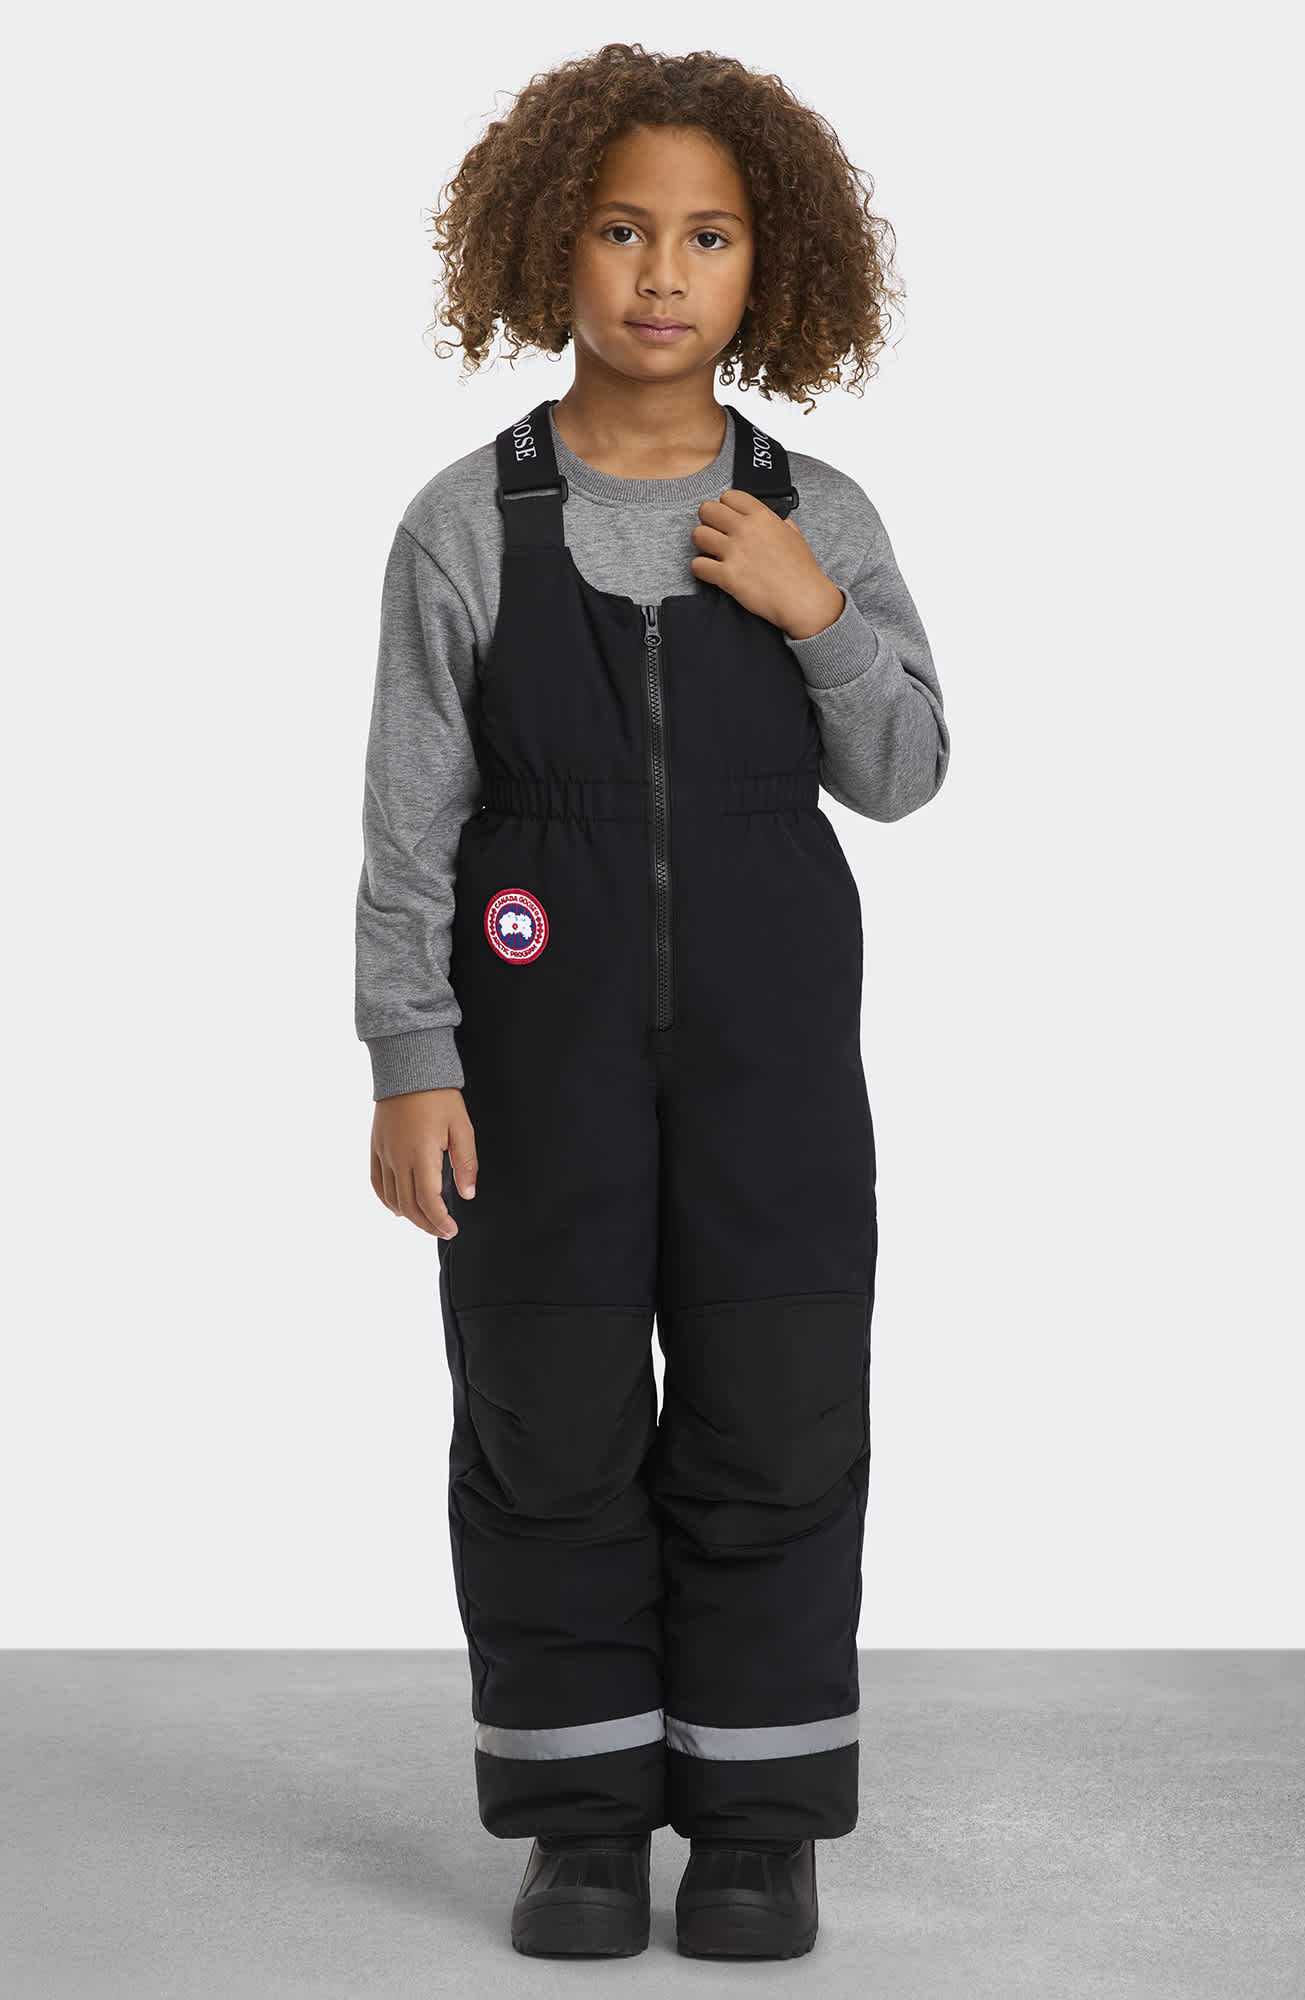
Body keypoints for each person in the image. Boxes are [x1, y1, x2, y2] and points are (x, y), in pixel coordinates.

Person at [354, 42, 949, 1962]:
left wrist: (811, 609)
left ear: (769, 267)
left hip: (774, 1063)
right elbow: (408, 819)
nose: (661, 273)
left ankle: (758, 1824)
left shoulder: (814, 510)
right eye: (621, 230)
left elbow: (906, 771)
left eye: (707, 236)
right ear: (552, 247)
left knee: (779, 1414)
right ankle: (582, 1820)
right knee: (545, 1417)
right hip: (535, 1059)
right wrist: (410, 1057)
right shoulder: (466, 522)